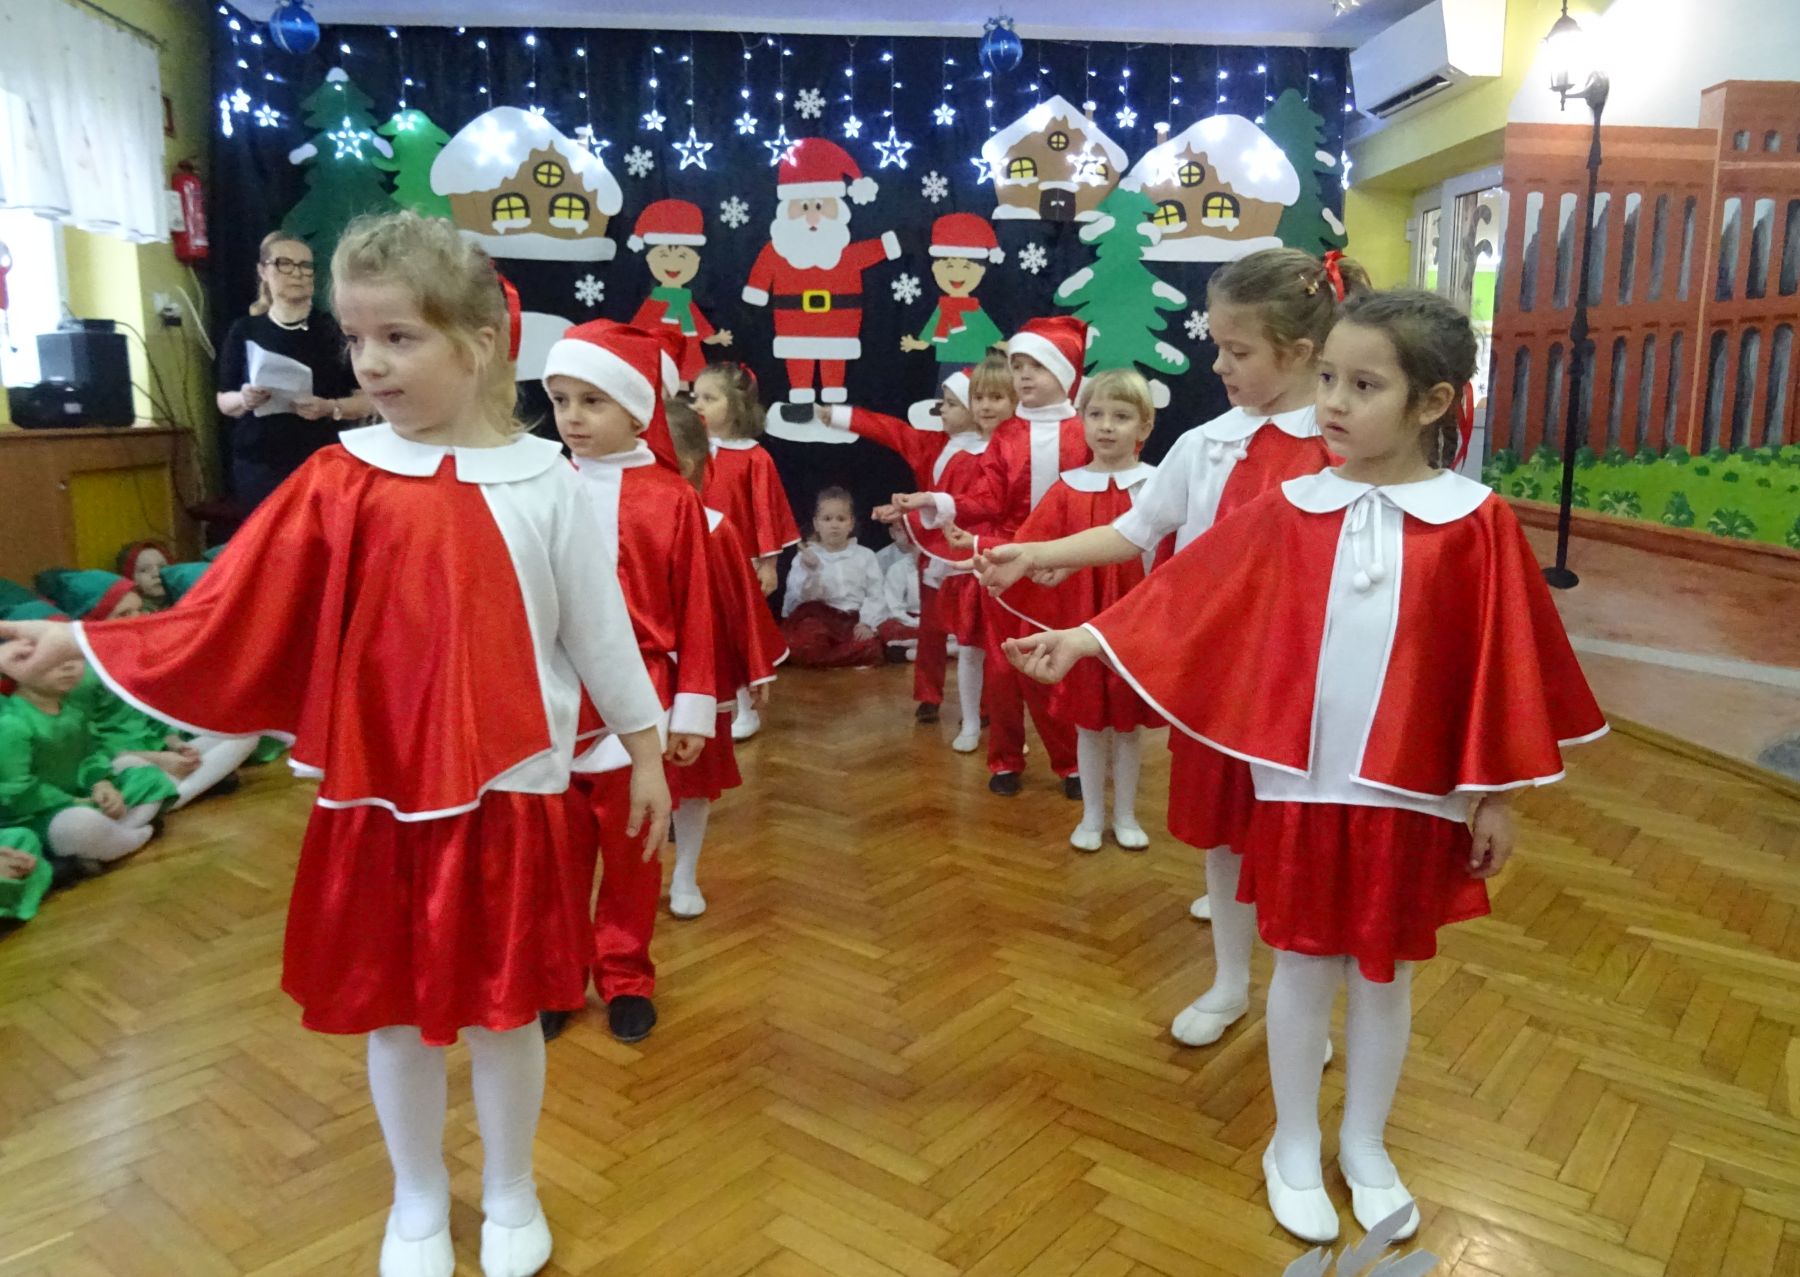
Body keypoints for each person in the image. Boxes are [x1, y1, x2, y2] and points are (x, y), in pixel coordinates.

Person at [2, 211, 670, 1277]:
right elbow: (227, 609)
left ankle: (511, 1187)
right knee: (395, 1018)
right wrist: (88, 641)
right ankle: (417, 1196)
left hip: (513, 790)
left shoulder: (545, 479)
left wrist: (645, 749)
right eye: (357, 337)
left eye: (399, 336)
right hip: (377, 795)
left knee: (505, 1015)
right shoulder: (337, 478)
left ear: (478, 343)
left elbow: (599, 629)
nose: (369, 361)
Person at [1006, 289, 1606, 1245]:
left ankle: (1365, 1142)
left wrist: (1493, 795)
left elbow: (1500, 667)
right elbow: (1186, 593)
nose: (1332, 401)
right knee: (1304, 963)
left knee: (1385, 974)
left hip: (1416, 791)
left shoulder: (1476, 521)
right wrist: (1085, 637)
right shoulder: (1289, 509)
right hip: (1303, 785)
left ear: (1432, 402)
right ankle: (1291, 1142)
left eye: (1364, 385)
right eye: (1328, 377)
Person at [978, 247, 1370, 1049]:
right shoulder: (1206, 443)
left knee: (1298, 850)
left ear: (1300, 351)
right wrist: (1037, 553)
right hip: (1221, 686)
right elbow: (1136, 529)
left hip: (1314, 690)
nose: (1217, 364)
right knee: (1225, 838)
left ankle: (1303, 1008)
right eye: (1217, 345)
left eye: (1237, 350)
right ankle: (1229, 981)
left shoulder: (1344, 450)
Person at [545, 319, 716, 1046]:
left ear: (638, 409)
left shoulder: (671, 499)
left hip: (640, 703)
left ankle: (625, 975)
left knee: (632, 854)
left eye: (593, 401)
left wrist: (692, 710)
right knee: (555, 855)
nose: (573, 418)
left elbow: (697, 610)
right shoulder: (542, 484)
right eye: (560, 400)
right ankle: (557, 978)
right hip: (553, 698)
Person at [894, 317, 1090, 797]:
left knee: (1058, 667)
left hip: (1063, 569)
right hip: (1003, 566)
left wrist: (1072, 556)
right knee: (1002, 670)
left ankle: (1070, 764)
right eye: (1018, 367)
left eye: (1036, 367)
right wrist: (934, 500)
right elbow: (988, 499)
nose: (1023, 376)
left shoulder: (1083, 433)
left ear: (1064, 372)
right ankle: (1004, 761)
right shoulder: (1006, 436)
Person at [983, 369, 1167, 852]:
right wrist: (997, 558)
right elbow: (1033, 547)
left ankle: (1125, 815)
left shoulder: (1157, 485)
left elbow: (1170, 553)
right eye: (1096, 414)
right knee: (1088, 722)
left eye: (1121, 416)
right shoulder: (1067, 487)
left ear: (1145, 426)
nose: (1106, 426)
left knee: (1126, 727)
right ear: (1081, 420)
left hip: (1133, 623)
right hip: (1079, 622)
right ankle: (1091, 816)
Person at [819, 361, 1007, 726]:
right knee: (931, 628)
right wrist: (842, 417)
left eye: (951, 404)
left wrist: (911, 514)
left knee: (980, 635)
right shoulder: (932, 445)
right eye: (942, 403)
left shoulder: (999, 454)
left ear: (974, 409)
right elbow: (890, 430)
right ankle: (928, 695)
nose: (942, 411)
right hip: (934, 552)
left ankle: (984, 706)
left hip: (973, 554)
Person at [664, 399, 788, 918]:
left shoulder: (716, 528)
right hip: (634, 678)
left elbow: (741, 605)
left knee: (693, 781)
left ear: (689, 464)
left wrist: (755, 668)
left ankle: (685, 872)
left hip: (700, 675)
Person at [215, 231, 372, 510]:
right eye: (284, 264)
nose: (297, 273)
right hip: (258, 464)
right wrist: (245, 398)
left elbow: (368, 401)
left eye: (305, 266)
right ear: (263, 271)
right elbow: (224, 401)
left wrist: (329, 407)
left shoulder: (334, 330)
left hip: (322, 460)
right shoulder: (245, 330)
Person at [693, 361, 799, 740]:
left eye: (709, 398)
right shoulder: (690, 452)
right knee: (704, 633)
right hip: (697, 556)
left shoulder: (755, 457)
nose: (698, 405)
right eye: (695, 397)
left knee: (738, 633)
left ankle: (746, 707)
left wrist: (769, 564)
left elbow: (766, 514)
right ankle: (707, 702)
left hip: (739, 562)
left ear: (736, 405)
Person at [780, 487, 888, 668]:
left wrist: (867, 623)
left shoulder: (865, 555)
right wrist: (812, 572)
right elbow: (798, 602)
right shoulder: (804, 557)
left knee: (871, 647)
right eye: (827, 519)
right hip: (819, 618)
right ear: (816, 524)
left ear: (851, 523)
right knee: (808, 640)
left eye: (841, 519)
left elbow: (876, 594)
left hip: (853, 620)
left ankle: (831, 658)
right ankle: (841, 657)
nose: (834, 525)